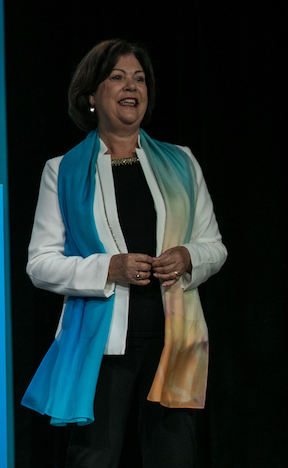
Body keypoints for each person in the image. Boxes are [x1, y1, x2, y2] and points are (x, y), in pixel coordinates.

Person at [20, 39, 226, 467]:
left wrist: (188, 257)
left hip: (174, 339)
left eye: (139, 78)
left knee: (175, 458)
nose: (131, 86)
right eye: (116, 77)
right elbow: (40, 264)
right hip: (103, 344)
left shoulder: (182, 162)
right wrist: (109, 268)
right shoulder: (63, 170)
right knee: (92, 459)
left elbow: (214, 246)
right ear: (91, 95)